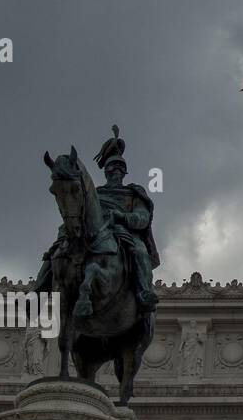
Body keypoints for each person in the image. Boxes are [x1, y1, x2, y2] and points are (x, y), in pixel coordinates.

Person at [33, 126, 160, 315]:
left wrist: (122, 217)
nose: (115, 171)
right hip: (95, 232)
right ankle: (38, 290)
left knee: (140, 251)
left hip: (123, 233)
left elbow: (143, 218)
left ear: (124, 172)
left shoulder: (134, 193)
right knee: (58, 247)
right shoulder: (96, 194)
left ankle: (143, 291)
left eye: (119, 168)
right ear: (106, 172)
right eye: (112, 168)